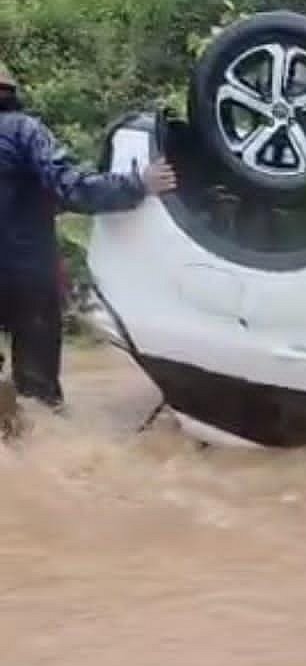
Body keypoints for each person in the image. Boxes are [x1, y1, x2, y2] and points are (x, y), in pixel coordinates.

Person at [0, 63, 176, 409]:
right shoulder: (23, 131)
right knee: (38, 397)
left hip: (26, 273)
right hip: (27, 280)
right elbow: (73, 188)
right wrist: (139, 183)